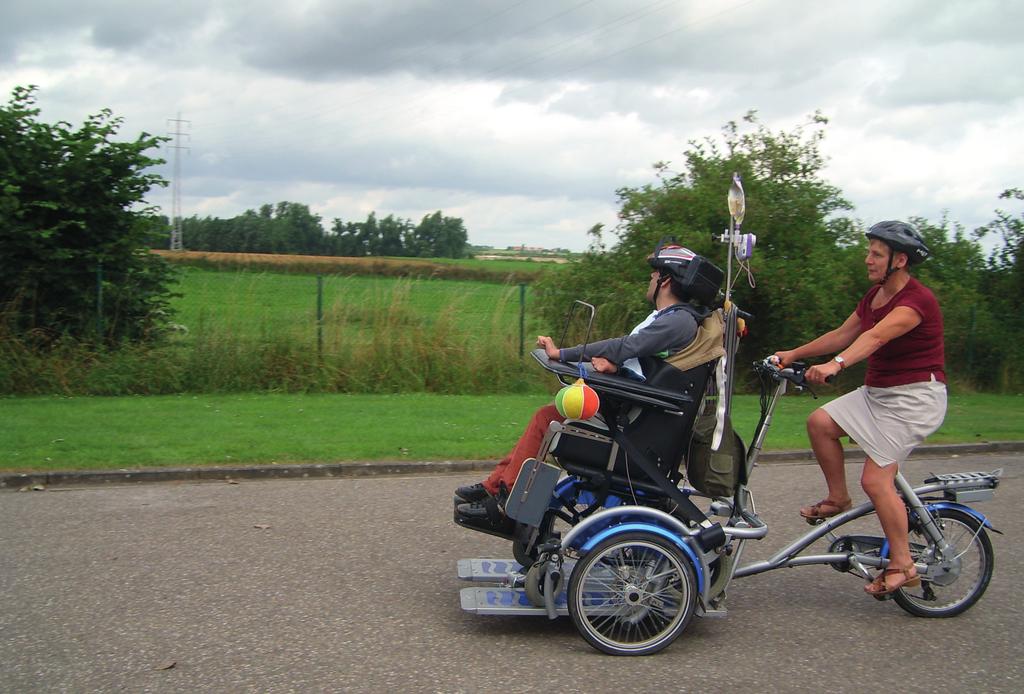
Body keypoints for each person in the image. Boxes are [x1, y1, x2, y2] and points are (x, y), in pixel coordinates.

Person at [454, 244, 715, 535]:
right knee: (549, 415)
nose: (650, 280)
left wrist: (563, 354)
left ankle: (508, 506)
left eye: (653, 275)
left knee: (548, 421)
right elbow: (647, 362)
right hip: (633, 418)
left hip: (634, 437)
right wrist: (617, 367)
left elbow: (624, 347)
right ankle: (496, 488)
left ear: (665, 280)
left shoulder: (678, 321)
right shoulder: (674, 319)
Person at [772, 220, 946, 596]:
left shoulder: (917, 300)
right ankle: (838, 497)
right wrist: (794, 354)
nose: (867, 259)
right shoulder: (873, 298)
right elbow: (844, 333)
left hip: (914, 398)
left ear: (900, 260)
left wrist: (836, 365)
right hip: (879, 393)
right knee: (820, 422)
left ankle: (904, 564)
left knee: (875, 479)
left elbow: (876, 336)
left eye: (876, 254)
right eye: (869, 251)